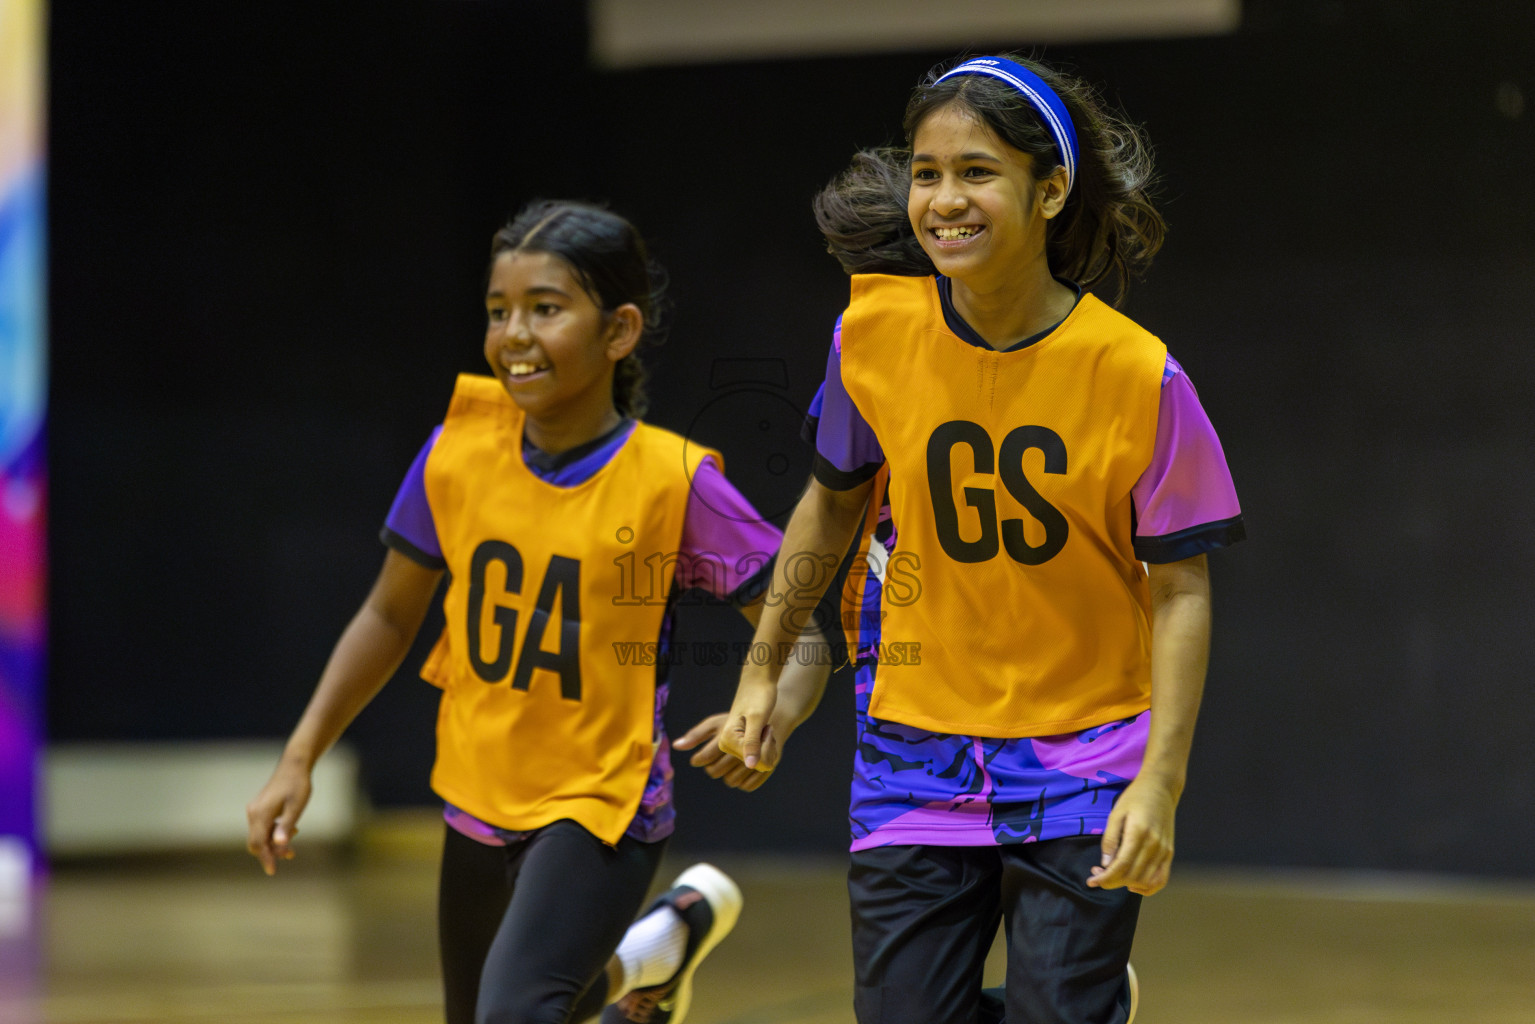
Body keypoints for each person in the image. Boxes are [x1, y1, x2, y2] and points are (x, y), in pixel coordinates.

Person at [721, 54, 1245, 1024]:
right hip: (914, 749)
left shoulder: (1137, 375)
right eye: (925, 172)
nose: (942, 198)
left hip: (1083, 756)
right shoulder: (871, 336)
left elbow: (1178, 591)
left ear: (1048, 191)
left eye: (975, 171)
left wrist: (1158, 783)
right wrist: (762, 670)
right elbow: (830, 504)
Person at [245, 199, 828, 1024]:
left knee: (514, 1015)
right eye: (497, 311)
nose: (513, 334)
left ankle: (651, 943)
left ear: (619, 330)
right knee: (523, 1006)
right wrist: (300, 757)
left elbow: (800, 632)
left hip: (601, 800)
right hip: (479, 786)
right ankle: (663, 946)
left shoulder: (675, 480)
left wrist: (764, 708)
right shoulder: (457, 449)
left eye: (545, 309)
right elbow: (386, 616)